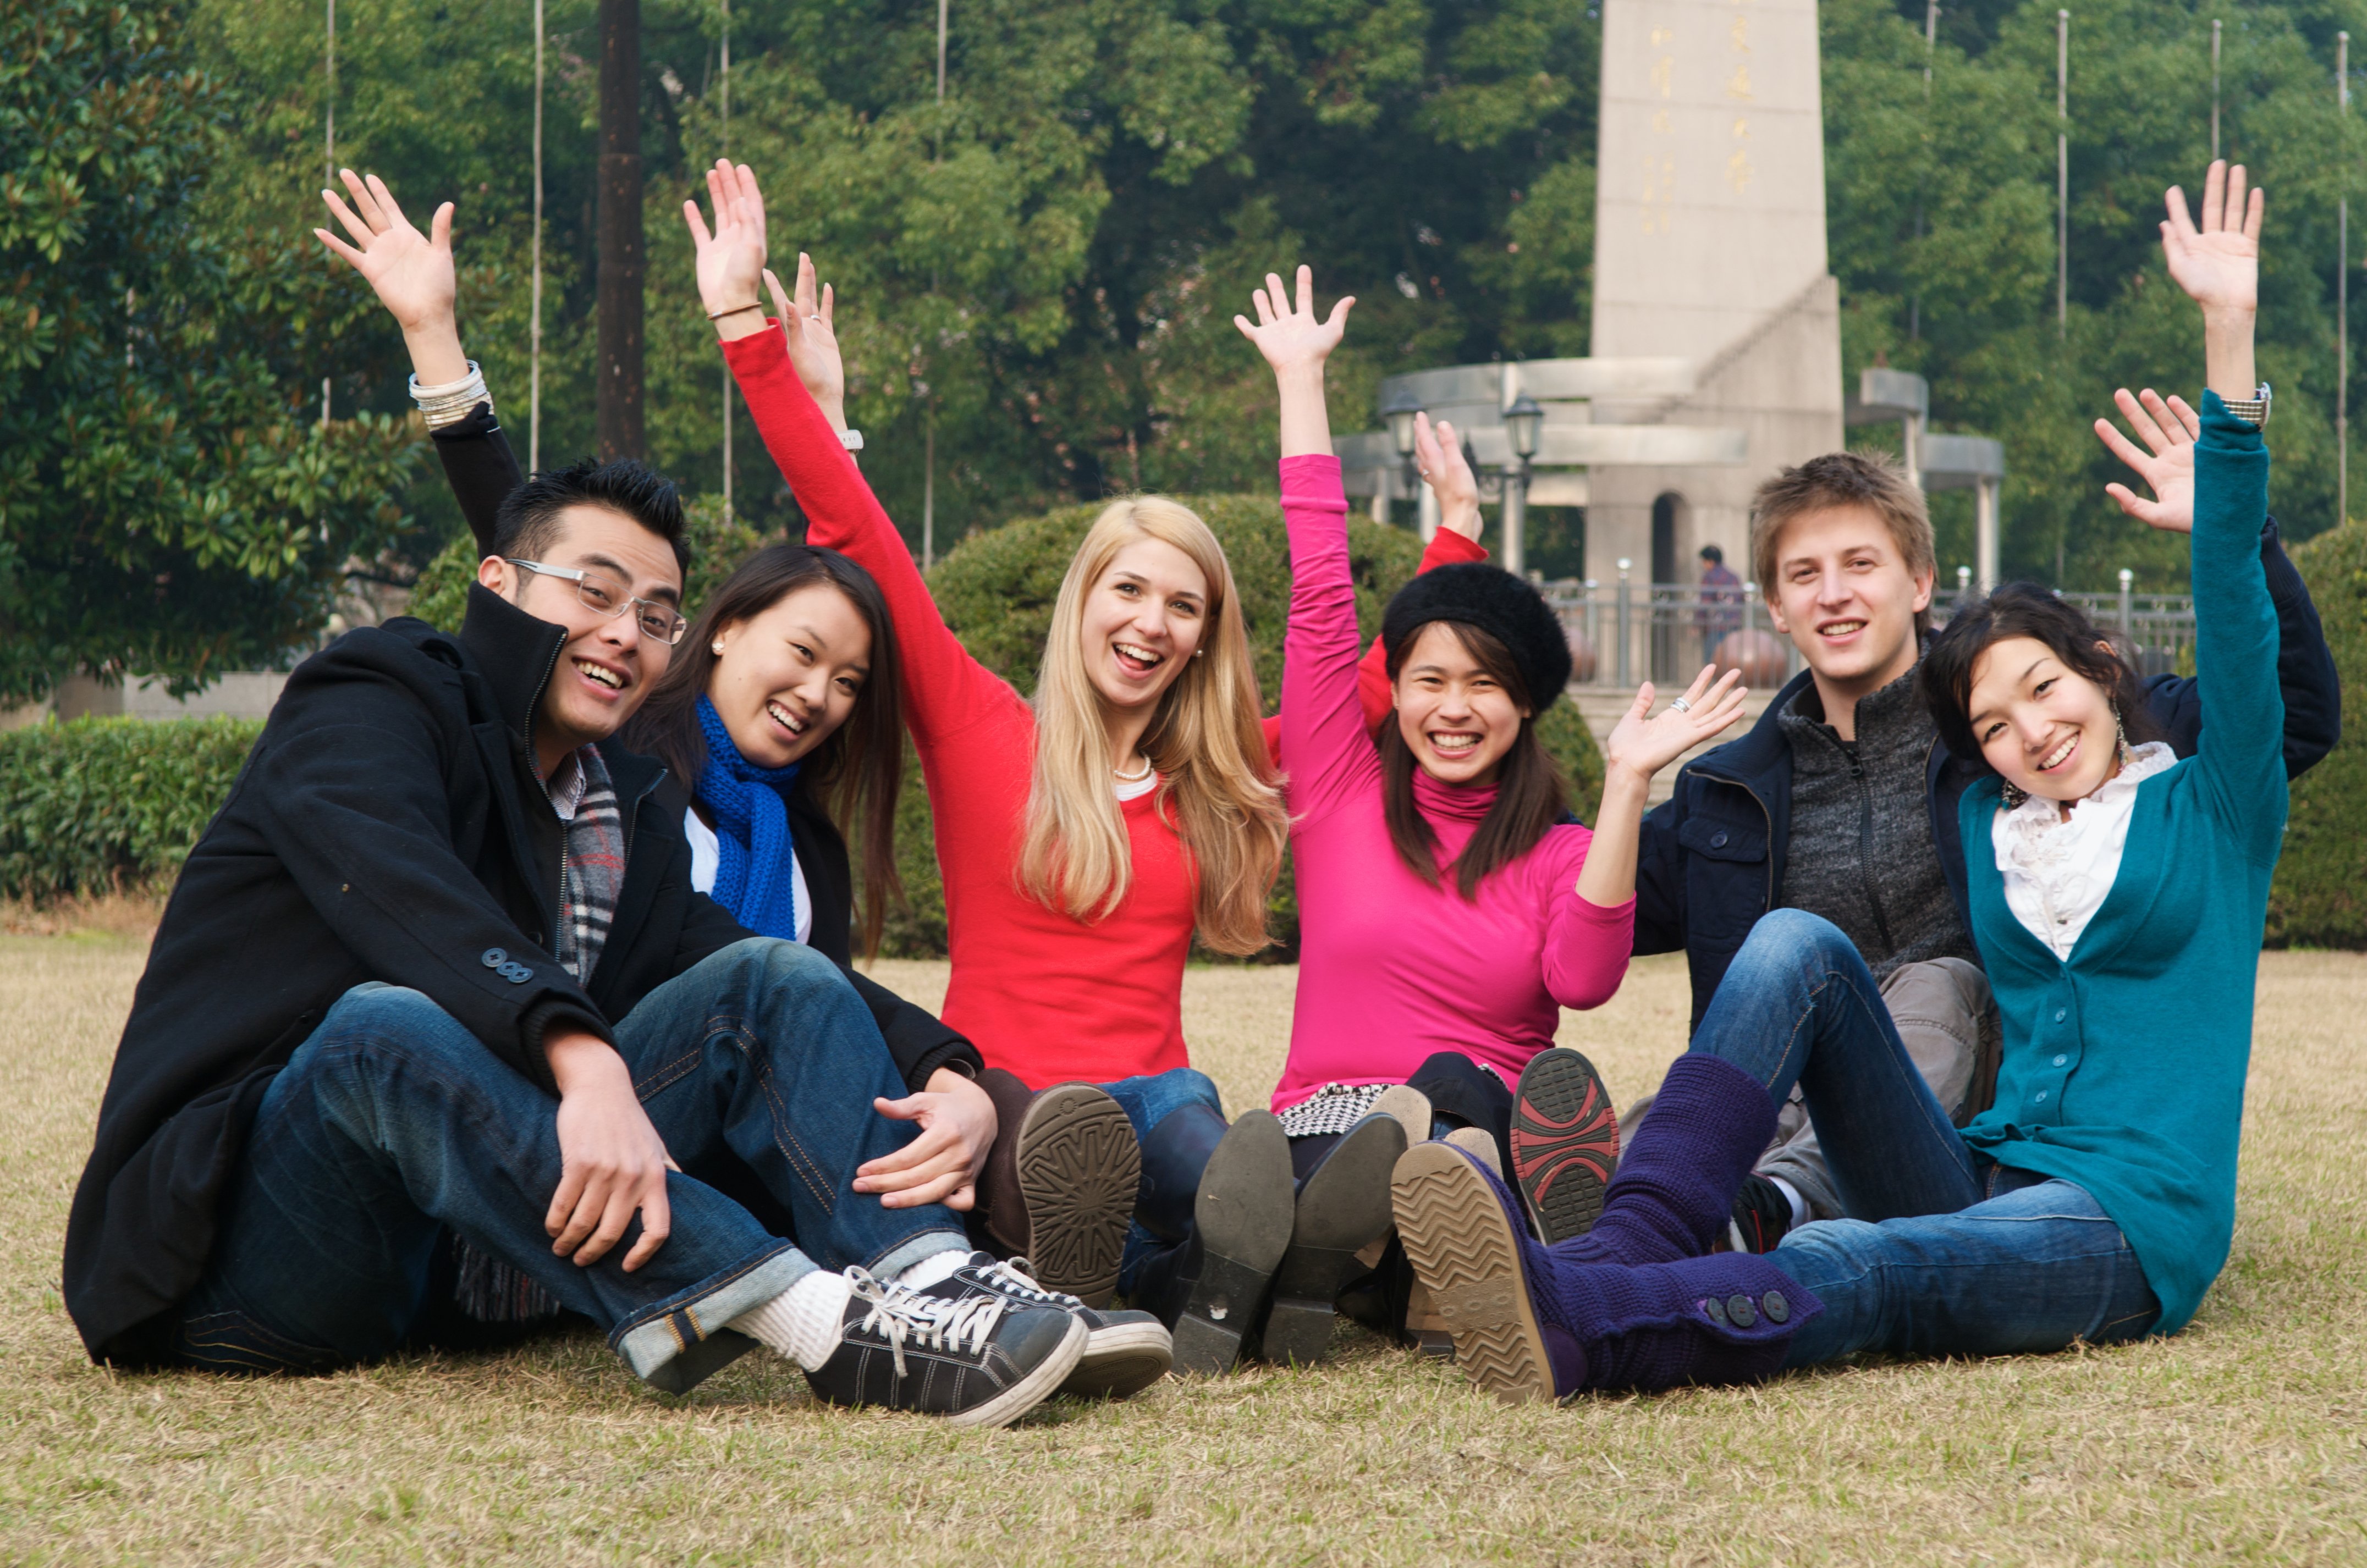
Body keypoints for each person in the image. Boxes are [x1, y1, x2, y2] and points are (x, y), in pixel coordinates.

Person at [58, 172, 1110, 1431]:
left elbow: (739, 962)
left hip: (460, 1252)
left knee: (770, 980)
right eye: (592, 596)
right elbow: (401, 889)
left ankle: (934, 1287)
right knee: (379, 1024)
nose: (626, 634)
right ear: (496, 582)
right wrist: (577, 1050)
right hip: (249, 1256)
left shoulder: (623, 806)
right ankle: (822, 1326)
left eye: (657, 616)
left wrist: (953, 1071)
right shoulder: (374, 696)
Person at [1393, 166, 2290, 1400]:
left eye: (2044, 692)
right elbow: (1575, 920)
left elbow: (2259, 653)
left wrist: (2227, 389)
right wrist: (1532, 774)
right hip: (1970, 1164)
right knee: (1790, 943)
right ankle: (1624, 1243)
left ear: (2102, 670)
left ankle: (1586, 1313)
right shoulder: (1995, 818)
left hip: (2125, 1217)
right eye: (1990, 722)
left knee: (1860, 1251)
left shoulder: (2212, 802)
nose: (2026, 731)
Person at [320, 170, 1171, 1398]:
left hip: (754, 1133)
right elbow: (531, 560)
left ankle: (1076, 1272)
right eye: (802, 653)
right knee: (780, 991)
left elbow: (834, 998)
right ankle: (943, 1275)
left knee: (972, 1089)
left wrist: (961, 1080)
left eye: (849, 681)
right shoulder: (620, 753)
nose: (823, 691)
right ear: (716, 631)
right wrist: (436, 345)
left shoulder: (804, 839)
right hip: (588, 1121)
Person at [1572, 159, 2342, 1257]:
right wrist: (1611, 782)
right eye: (1804, 575)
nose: (1834, 592)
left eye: (1860, 563)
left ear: (1919, 577)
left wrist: (2241, 525)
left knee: (1929, 986)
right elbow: (1571, 924)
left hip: (1944, 1089)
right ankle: (1599, 1210)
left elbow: (2292, 720)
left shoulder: (2015, 730)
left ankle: (1735, 1212)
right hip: (1783, 1075)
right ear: (1775, 606)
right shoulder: (1730, 788)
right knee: (1713, 1070)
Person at [686, 163, 1291, 1351]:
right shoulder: (979, 725)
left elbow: (1370, 683)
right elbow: (854, 543)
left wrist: (1449, 525)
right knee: (1073, 1151)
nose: (1151, 620)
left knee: (1188, 1133)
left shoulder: (1223, 774)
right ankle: (1179, 1277)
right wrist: (746, 334)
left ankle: (1223, 1265)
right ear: (1082, 602)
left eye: (1184, 604)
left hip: (1162, 1108)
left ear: (1204, 640)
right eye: (1128, 587)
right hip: (1005, 1109)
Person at [1131, 268, 1746, 1370]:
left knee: (1462, 1107)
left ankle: (1401, 1260)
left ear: (1521, 708)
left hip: (1482, 1143)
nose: (1451, 708)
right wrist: (1300, 383)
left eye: (1483, 686)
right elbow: (1322, 590)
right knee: (1302, 1161)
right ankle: (1308, 1273)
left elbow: (1586, 980)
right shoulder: (1338, 788)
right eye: (1428, 680)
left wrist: (1626, 787)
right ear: (1395, 687)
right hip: (1323, 1130)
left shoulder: (1559, 852)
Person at [1696, 544, 1744, 668]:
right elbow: (1741, 600)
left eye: (1704, 562)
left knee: (1712, 661)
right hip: (1734, 625)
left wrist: (1698, 624)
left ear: (1710, 561)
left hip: (1716, 626)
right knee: (1731, 660)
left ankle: (1714, 686)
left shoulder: (1709, 577)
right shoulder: (1734, 577)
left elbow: (1705, 603)